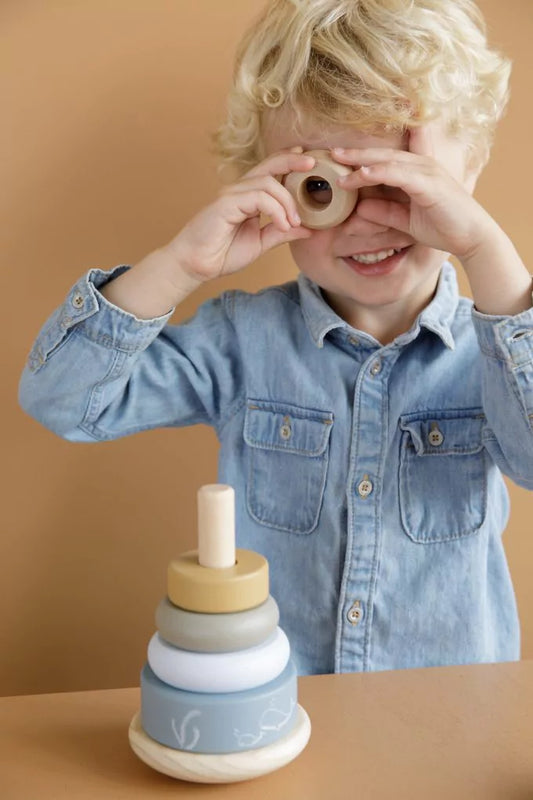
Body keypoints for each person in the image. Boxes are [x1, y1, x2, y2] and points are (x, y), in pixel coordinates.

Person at [19, 0, 533, 676]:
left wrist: (482, 246)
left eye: (397, 182)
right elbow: (63, 400)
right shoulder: (243, 340)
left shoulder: (491, 352)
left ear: (466, 171)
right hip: (276, 716)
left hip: (444, 717)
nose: (366, 223)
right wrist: (178, 264)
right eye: (322, 187)